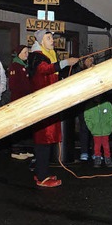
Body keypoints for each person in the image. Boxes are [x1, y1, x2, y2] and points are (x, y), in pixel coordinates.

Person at [28, 29, 79, 187]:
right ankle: (42, 177)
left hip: (49, 102)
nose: (52, 40)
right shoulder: (37, 57)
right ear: (41, 41)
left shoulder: (49, 55)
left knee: (47, 140)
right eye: (49, 38)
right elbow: (45, 70)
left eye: (52, 38)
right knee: (43, 140)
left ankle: (42, 172)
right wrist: (65, 63)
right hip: (42, 104)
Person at [84, 96, 112, 168]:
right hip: (96, 130)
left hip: (105, 130)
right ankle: (97, 158)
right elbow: (87, 117)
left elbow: (111, 115)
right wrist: (92, 127)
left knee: (106, 145)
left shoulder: (107, 104)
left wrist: (110, 126)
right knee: (97, 145)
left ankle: (107, 158)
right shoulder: (89, 106)